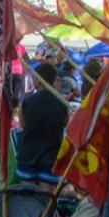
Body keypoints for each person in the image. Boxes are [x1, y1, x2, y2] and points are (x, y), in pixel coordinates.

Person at [17, 63, 70, 192]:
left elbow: (23, 124)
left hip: (28, 153)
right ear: (53, 80)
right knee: (47, 196)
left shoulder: (26, 102)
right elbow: (65, 123)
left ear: (38, 81)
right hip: (51, 154)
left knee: (29, 196)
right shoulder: (63, 103)